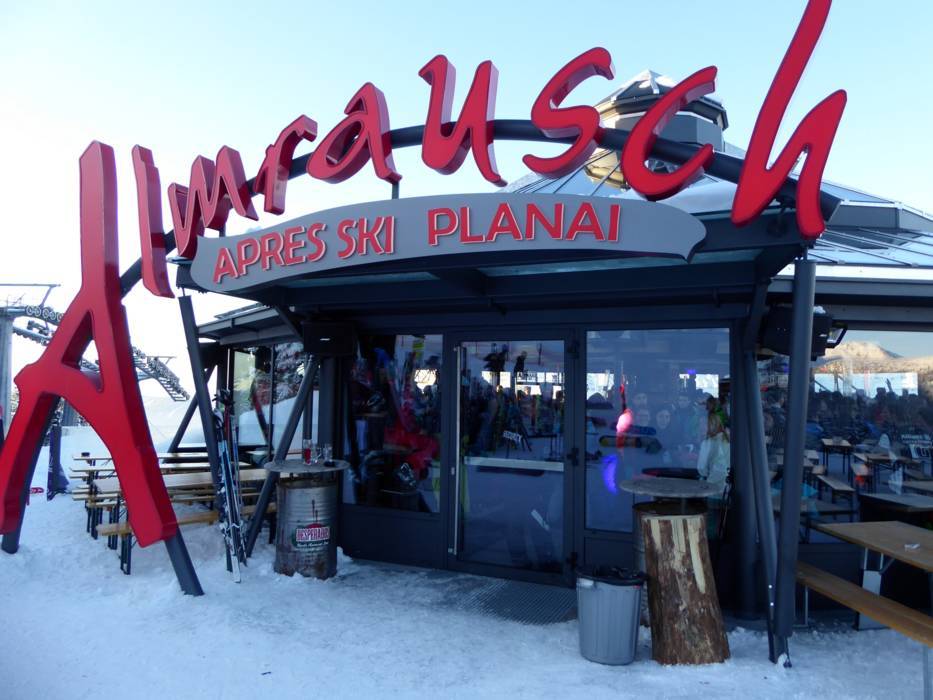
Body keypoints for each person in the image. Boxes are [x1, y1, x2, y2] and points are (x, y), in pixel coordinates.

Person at [696, 412, 730, 486]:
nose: (701, 427)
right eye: (700, 424)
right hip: (728, 485)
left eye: (704, 424)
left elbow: (702, 470)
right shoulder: (728, 439)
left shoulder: (707, 443)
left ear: (714, 425)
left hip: (713, 486)